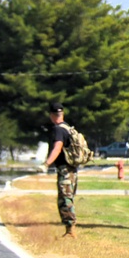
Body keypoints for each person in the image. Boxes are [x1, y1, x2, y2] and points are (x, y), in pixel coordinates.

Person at [43, 102, 78, 238]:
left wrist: (47, 163)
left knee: (65, 198)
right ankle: (70, 228)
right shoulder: (68, 127)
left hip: (65, 169)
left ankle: (70, 230)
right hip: (72, 169)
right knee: (68, 197)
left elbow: (57, 148)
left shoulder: (58, 130)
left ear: (52, 115)